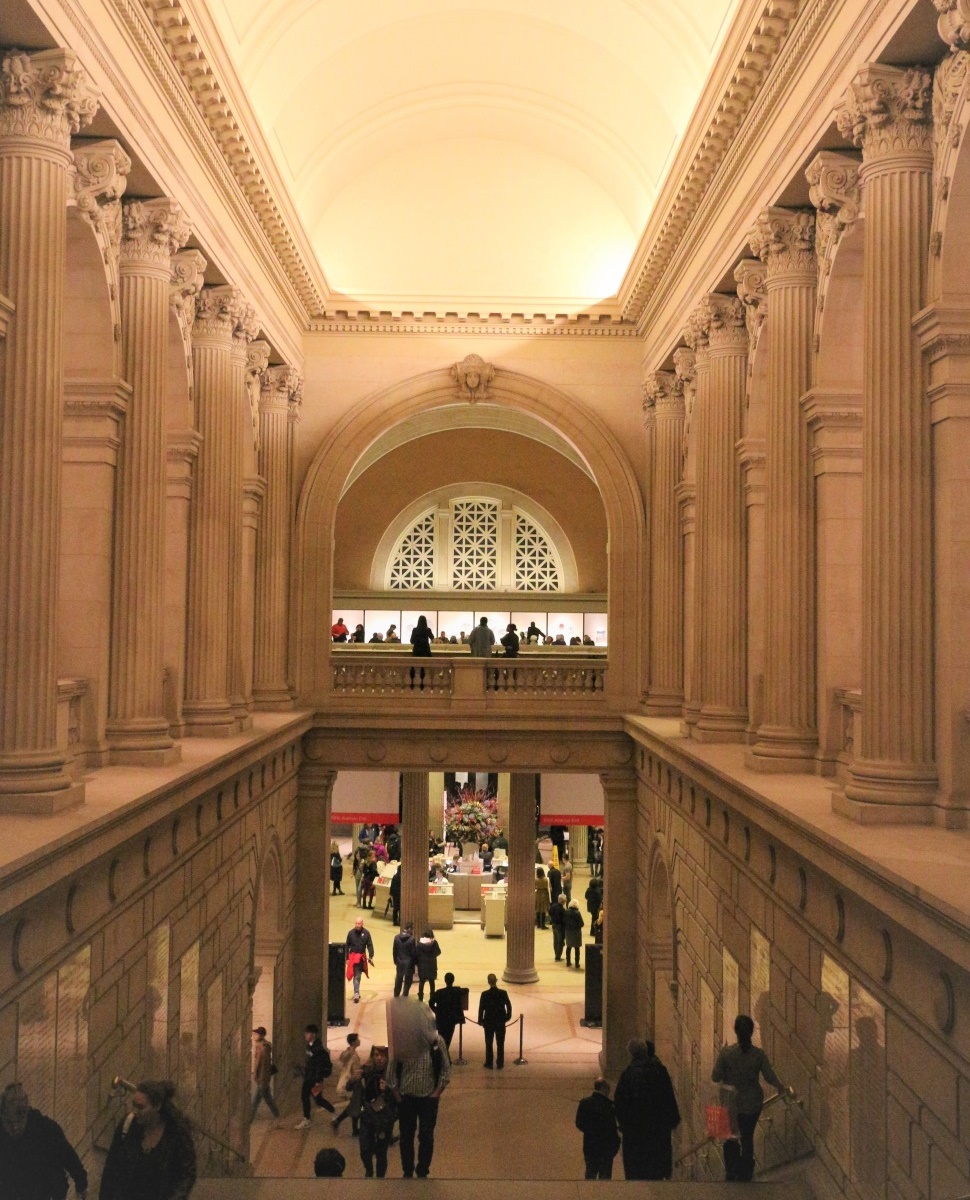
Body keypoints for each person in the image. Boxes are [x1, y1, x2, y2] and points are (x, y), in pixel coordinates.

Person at [712, 1014, 788, 1182]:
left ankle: (731, 1170)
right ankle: (745, 1172)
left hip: (731, 1103)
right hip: (752, 1103)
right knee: (747, 1137)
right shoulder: (758, 1055)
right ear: (752, 1032)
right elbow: (769, 1076)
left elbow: (715, 1077)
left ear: (736, 1031)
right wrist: (780, 1087)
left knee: (730, 1136)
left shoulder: (726, 1053)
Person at [99, 1079, 195, 1200]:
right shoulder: (128, 1126)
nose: (135, 1111)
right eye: (134, 1105)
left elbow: (187, 1174)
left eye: (141, 1107)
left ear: (157, 1106)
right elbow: (111, 1169)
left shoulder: (176, 1132)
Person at [387, 1008, 451, 1179]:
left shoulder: (437, 1042)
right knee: (406, 1137)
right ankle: (407, 1170)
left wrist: (436, 1094)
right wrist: (398, 1097)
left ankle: (423, 1169)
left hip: (428, 1099)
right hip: (406, 1099)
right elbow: (391, 1073)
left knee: (426, 1136)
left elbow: (446, 1070)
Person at [0, 1082, 88, 1200]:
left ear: (27, 1115)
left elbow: (68, 1156)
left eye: (19, 1122)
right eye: (9, 1122)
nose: (14, 1127)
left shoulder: (45, 1129)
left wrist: (81, 1183)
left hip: (47, 1190)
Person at [614, 1039, 681, 1181]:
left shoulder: (628, 1074)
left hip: (635, 1132)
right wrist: (672, 1120)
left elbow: (620, 1103)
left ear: (632, 1054)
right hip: (657, 1130)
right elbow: (668, 1097)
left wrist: (623, 1123)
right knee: (655, 1170)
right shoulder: (660, 1070)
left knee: (637, 1171)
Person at [358, 1045, 396, 1178]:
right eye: (376, 1055)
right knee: (364, 1149)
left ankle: (380, 1178)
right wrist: (355, 1078)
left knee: (381, 1152)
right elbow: (350, 1086)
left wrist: (388, 1089)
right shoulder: (367, 1069)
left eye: (383, 1055)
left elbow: (398, 1097)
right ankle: (369, 1170)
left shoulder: (392, 1072)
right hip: (367, 1114)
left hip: (384, 1118)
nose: (380, 1058)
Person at [574, 1077, 621, 1180]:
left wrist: (591, 1130)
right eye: (608, 1088)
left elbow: (579, 1123)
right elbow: (613, 1127)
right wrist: (616, 1143)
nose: (609, 1091)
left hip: (590, 1147)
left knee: (590, 1176)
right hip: (606, 1149)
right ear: (603, 1088)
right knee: (605, 1179)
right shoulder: (609, 1106)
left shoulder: (585, 1103)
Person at [296, 1024, 335, 1127]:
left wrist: (318, 1081)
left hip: (314, 1079)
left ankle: (332, 1112)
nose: (305, 1035)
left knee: (316, 1099)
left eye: (307, 1033)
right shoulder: (309, 1046)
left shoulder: (318, 1049)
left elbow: (318, 1066)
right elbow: (310, 1062)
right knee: (308, 1097)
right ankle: (307, 1119)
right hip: (309, 1077)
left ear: (313, 1035)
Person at [477, 973, 512, 1069]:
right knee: (500, 1043)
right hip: (500, 1021)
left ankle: (489, 1062)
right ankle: (500, 1063)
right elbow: (508, 1006)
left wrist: (480, 1020)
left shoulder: (485, 994)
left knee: (489, 1043)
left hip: (488, 1022)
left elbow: (481, 1008)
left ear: (488, 982)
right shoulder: (503, 993)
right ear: (496, 981)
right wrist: (507, 1017)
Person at [331, 1033, 363, 1135]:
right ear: (353, 1042)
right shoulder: (353, 1056)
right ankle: (338, 1122)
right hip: (352, 1084)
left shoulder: (347, 1052)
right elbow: (355, 1071)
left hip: (348, 1083)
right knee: (354, 1105)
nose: (359, 1040)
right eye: (358, 1039)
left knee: (354, 1105)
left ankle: (353, 1129)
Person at [249, 1026, 280, 1122]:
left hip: (262, 1079)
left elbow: (264, 1067)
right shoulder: (260, 1047)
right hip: (262, 1079)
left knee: (255, 1101)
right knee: (268, 1099)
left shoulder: (263, 1049)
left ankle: (249, 1120)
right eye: (253, 1034)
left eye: (256, 1034)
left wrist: (262, 1080)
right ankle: (277, 1115)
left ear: (261, 1036)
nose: (254, 1036)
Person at [429, 971, 465, 1050]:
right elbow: (465, 990)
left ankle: (443, 1054)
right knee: (447, 1040)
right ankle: (444, 1054)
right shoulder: (456, 991)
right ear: (453, 980)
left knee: (441, 1039)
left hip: (441, 1019)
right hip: (451, 1019)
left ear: (445, 980)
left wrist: (436, 1011)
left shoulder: (439, 992)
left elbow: (431, 1003)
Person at [346, 916, 376, 1004]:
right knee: (356, 975)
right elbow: (347, 946)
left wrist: (371, 956)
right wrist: (347, 958)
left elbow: (370, 945)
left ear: (362, 924)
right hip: (353, 958)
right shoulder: (350, 933)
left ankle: (356, 992)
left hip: (361, 958)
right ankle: (356, 993)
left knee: (358, 975)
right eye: (356, 923)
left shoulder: (366, 933)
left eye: (359, 923)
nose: (357, 925)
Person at [414, 927, 441, 1001]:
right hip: (432, 966)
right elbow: (438, 952)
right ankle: (432, 997)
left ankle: (420, 997)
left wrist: (417, 963)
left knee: (421, 982)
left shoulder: (419, 944)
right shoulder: (434, 943)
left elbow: (416, 955)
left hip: (422, 966)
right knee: (432, 982)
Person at [392, 922, 417, 997]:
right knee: (408, 979)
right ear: (410, 929)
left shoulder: (396, 937)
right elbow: (413, 953)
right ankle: (405, 993)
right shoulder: (412, 939)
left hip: (399, 961)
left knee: (399, 978)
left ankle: (396, 994)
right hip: (409, 962)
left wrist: (395, 960)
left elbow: (394, 951)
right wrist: (415, 962)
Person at [564, 898, 585, 968]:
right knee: (577, 948)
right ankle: (577, 963)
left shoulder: (566, 912)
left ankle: (568, 962)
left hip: (568, 931)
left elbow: (564, 921)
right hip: (576, 932)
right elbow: (582, 923)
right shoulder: (577, 913)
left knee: (568, 947)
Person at [549, 891, 567, 962]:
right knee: (560, 941)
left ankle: (556, 954)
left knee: (555, 940)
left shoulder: (553, 906)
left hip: (554, 925)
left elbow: (550, 912)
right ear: (564, 901)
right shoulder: (563, 910)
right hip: (560, 926)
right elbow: (564, 919)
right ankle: (558, 956)